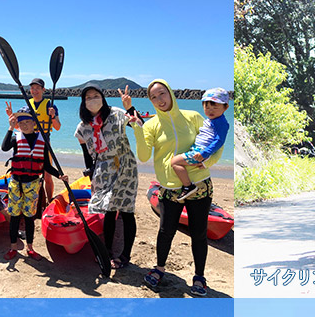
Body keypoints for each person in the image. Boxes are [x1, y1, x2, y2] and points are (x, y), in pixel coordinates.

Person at [134, 80, 225, 297]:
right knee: (165, 231)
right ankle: (159, 268)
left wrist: (208, 163)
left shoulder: (193, 117)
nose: (159, 100)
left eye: (162, 94)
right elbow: (144, 156)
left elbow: (216, 142)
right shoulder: (151, 125)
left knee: (199, 233)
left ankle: (199, 277)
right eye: (154, 97)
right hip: (169, 187)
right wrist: (137, 127)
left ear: (170, 93)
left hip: (199, 184)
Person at [74, 84, 138, 269]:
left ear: (102, 98)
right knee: (107, 209)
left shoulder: (117, 114)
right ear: (83, 102)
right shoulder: (83, 127)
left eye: (96, 95)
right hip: (102, 167)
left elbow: (139, 126)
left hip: (125, 164)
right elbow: (88, 155)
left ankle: (125, 255)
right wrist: (91, 175)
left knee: (126, 211)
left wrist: (129, 108)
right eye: (88, 97)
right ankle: (107, 251)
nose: (92, 100)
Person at [1, 106, 67, 261]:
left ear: (33, 123)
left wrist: (59, 175)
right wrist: (10, 127)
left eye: (27, 122)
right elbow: (4, 147)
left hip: (32, 184)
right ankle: (13, 248)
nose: (24, 125)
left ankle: (30, 248)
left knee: (29, 217)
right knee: (15, 216)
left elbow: (46, 165)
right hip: (16, 182)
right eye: (21, 122)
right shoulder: (16, 138)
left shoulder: (42, 140)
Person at [170, 88, 230, 200]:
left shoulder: (221, 122)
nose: (210, 110)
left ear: (225, 107)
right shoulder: (212, 120)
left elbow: (219, 141)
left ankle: (188, 186)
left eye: (215, 107)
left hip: (201, 152)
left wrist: (204, 154)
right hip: (198, 150)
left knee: (174, 162)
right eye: (207, 107)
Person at [29, 78, 61, 203]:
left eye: (37, 88)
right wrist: (11, 117)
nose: (34, 90)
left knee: (47, 174)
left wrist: (52, 116)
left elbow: (57, 127)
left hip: (45, 142)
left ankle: (49, 200)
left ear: (43, 90)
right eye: (32, 88)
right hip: (30, 142)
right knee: (32, 174)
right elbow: (19, 127)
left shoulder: (50, 105)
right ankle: (33, 200)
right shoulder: (28, 104)